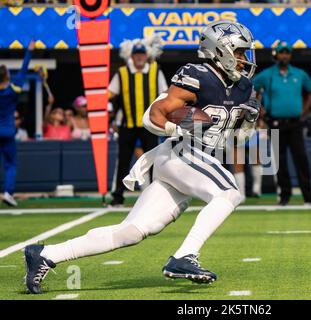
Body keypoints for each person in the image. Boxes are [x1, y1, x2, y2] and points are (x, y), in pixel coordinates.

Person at [24, 20, 258, 294]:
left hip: (196, 162)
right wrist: (175, 126)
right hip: (182, 153)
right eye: (240, 52)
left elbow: (238, 138)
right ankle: (185, 256)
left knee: (132, 231)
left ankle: (45, 254)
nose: (244, 59)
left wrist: (249, 122)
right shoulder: (198, 75)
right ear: (219, 50)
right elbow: (155, 114)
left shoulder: (243, 87)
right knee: (229, 192)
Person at [253, 41, 311, 206]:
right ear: (276, 55)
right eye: (281, 52)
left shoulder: (299, 74)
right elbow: (250, 89)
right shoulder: (268, 74)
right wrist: (259, 108)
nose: (285, 55)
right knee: (280, 161)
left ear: (290, 55)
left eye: (287, 52)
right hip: (275, 123)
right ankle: (284, 196)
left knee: (301, 159)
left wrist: (305, 110)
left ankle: (308, 196)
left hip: (295, 122)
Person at [108, 36, 168, 207]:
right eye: (137, 54)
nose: (140, 57)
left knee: (155, 161)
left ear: (147, 55)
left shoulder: (155, 70)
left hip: (150, 124)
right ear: (131, 56)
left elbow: (164, 95)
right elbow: (109, 94)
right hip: (127, 124)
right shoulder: (122, 73)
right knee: (123, 161)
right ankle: (117, 197)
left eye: (142, 54)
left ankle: (156, 197)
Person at [0, 40, 34, 207]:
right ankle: (8, 193)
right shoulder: (13, 89)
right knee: (10, 164)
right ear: (7, 76)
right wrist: (29, 51)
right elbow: (23, 68)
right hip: (7, 130)